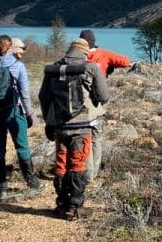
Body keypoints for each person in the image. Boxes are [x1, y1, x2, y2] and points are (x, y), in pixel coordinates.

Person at [39, 38, 110, 220]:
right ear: (85, 52)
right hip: (82, 126)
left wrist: (49, 121)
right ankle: (75, 207)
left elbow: (43, 96)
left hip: (60, 126)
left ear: (69, 50)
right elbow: (104, 96)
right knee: (78, 165)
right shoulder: (91, 67)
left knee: (61, 164)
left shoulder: (54, 68)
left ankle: (62, 204)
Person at [0, 34, 42, 202]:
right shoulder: (18, 66)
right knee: (22, 146)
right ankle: (32, 182)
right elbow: (24, 93)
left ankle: (1, 189)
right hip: (14, 112)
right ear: (10, 48)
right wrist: (29, 113)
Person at [79, 29, 131, 181]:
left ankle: (85, 173)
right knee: (96, 138)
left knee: (84, 138)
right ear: (94, 41)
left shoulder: (77, 57)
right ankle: (93, 173)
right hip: (98, 102)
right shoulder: (103, 54)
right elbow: (126, 61)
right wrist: (109, 67)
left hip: (79, 104)